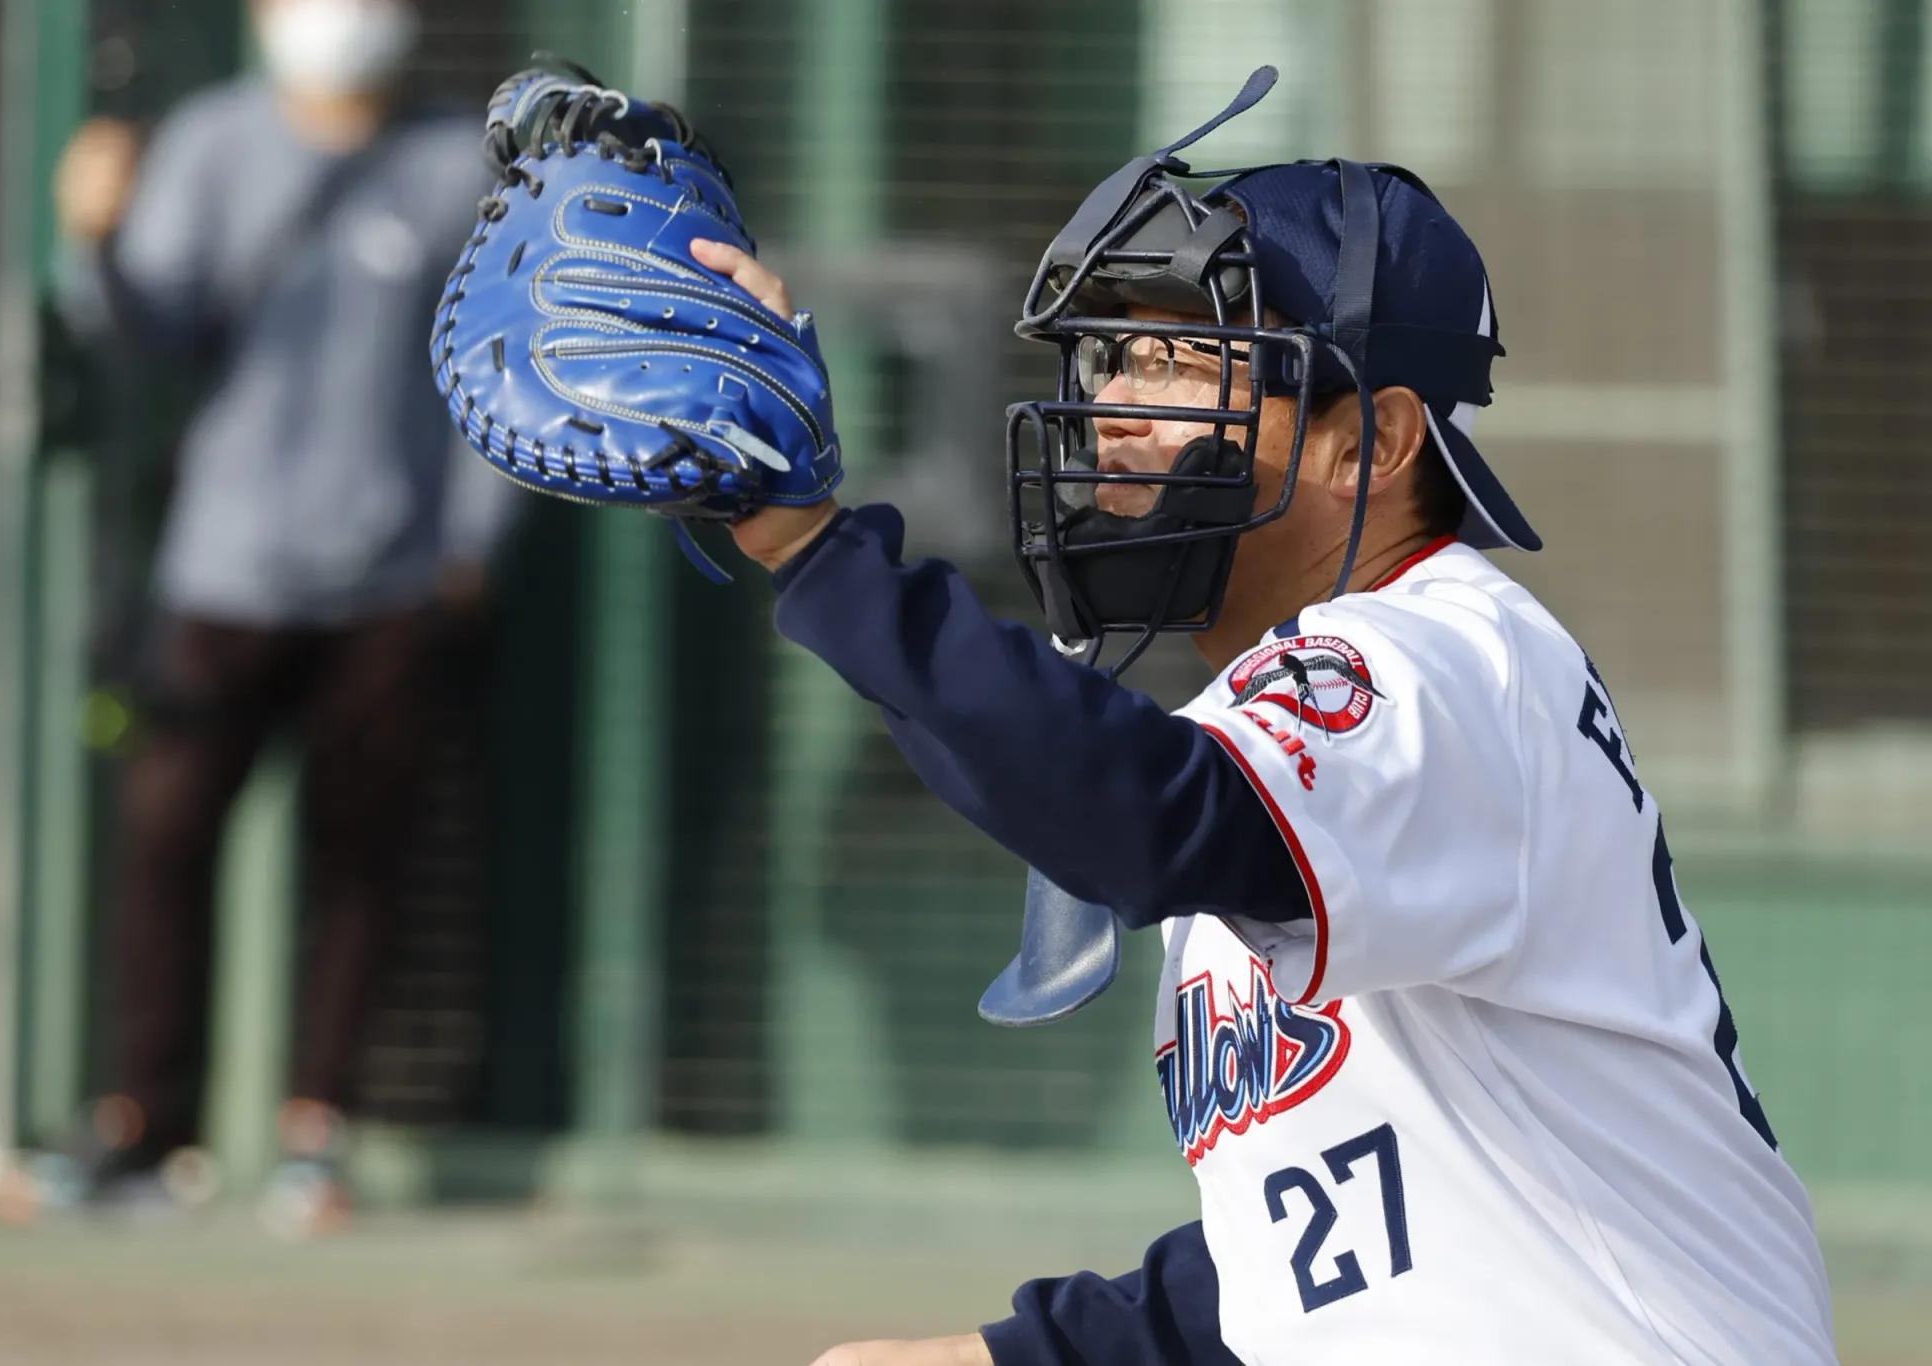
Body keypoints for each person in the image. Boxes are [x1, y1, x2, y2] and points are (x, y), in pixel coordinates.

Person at [683, 85, 1837, 1366]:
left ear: (1376, 440)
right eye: (1110, 353)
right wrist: (1016, 1354)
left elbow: (1144, 815)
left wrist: (817, 551)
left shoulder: (1431, 656)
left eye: (1180, 359)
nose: (1114, 402)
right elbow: (1342, 1246)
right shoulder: (1297, 722)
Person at [41, 0, 515, 1228]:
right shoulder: (211, 141)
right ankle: (147, 1125)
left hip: (392, 585)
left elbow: (496, 367)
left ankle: (318, 1127)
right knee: (165, 844)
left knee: (361, 860)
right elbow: (141, 327)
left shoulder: (454, 162)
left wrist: (467, 545)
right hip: (225, 576)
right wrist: (90, 240)